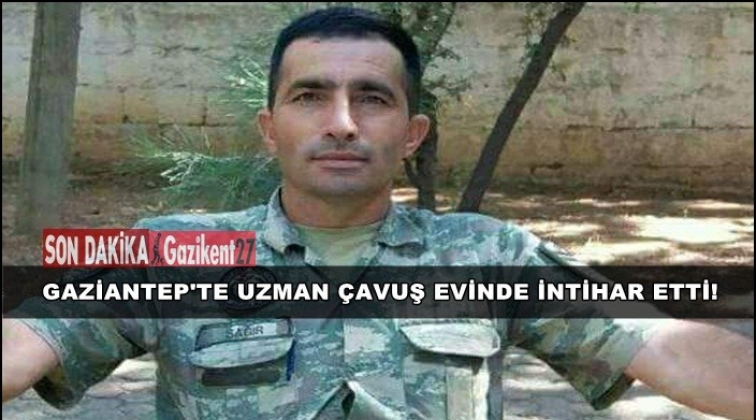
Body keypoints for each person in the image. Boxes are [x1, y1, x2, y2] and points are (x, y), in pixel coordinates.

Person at [3, 6, 753, 420]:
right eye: (310, 97)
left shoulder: (487, 256)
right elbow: (26, 342)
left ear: (412, 132)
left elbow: (664, 347)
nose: (342, 123)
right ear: (270, 129)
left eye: (372, 98)